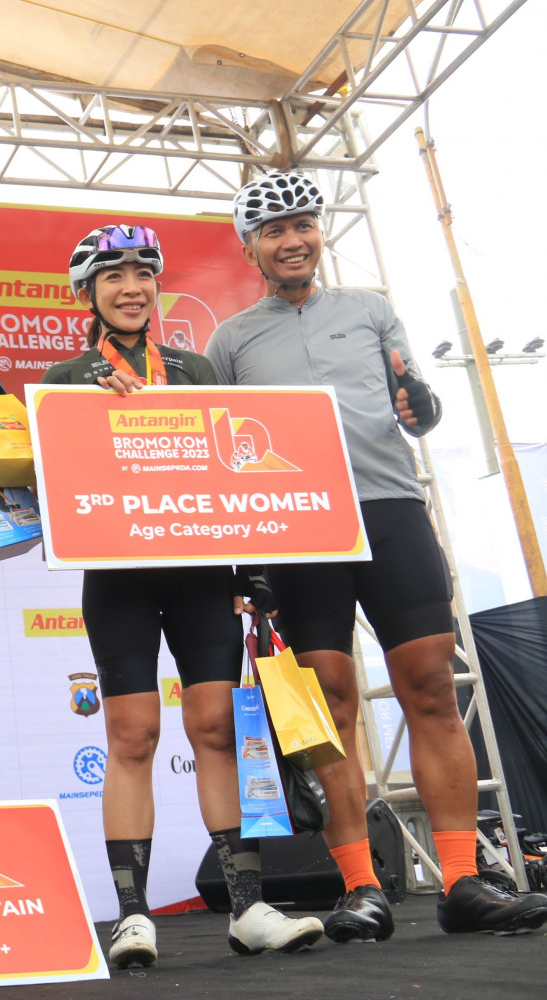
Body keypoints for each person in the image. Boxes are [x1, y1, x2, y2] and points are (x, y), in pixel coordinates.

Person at [0, 225, 324, 966]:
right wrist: (29, 405)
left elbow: (231, 469)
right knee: (131, 736)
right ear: (87, 293)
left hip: (199, 574)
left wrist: (253, 572)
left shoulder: (195, 369)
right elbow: (42, 481)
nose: (131, 289)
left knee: (216, 729)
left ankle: (248, 907)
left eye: (143, 275)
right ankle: (133, 916)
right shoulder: (66, 378)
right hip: (118, 579)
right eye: (113, 277)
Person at [206, 171, 547, 940]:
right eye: (273, 230)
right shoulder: (231, 340)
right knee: (331, 703)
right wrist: (246, 565)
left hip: (391, 508)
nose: (292, 240)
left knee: (431, 683)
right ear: (250, 248)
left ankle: (461, 880)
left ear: (319, 231)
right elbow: (226, 455)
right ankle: (361, 887)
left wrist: (423, 405)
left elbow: (413, 405)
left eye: (303, 224)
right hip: (301, 530)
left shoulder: (371, 310)